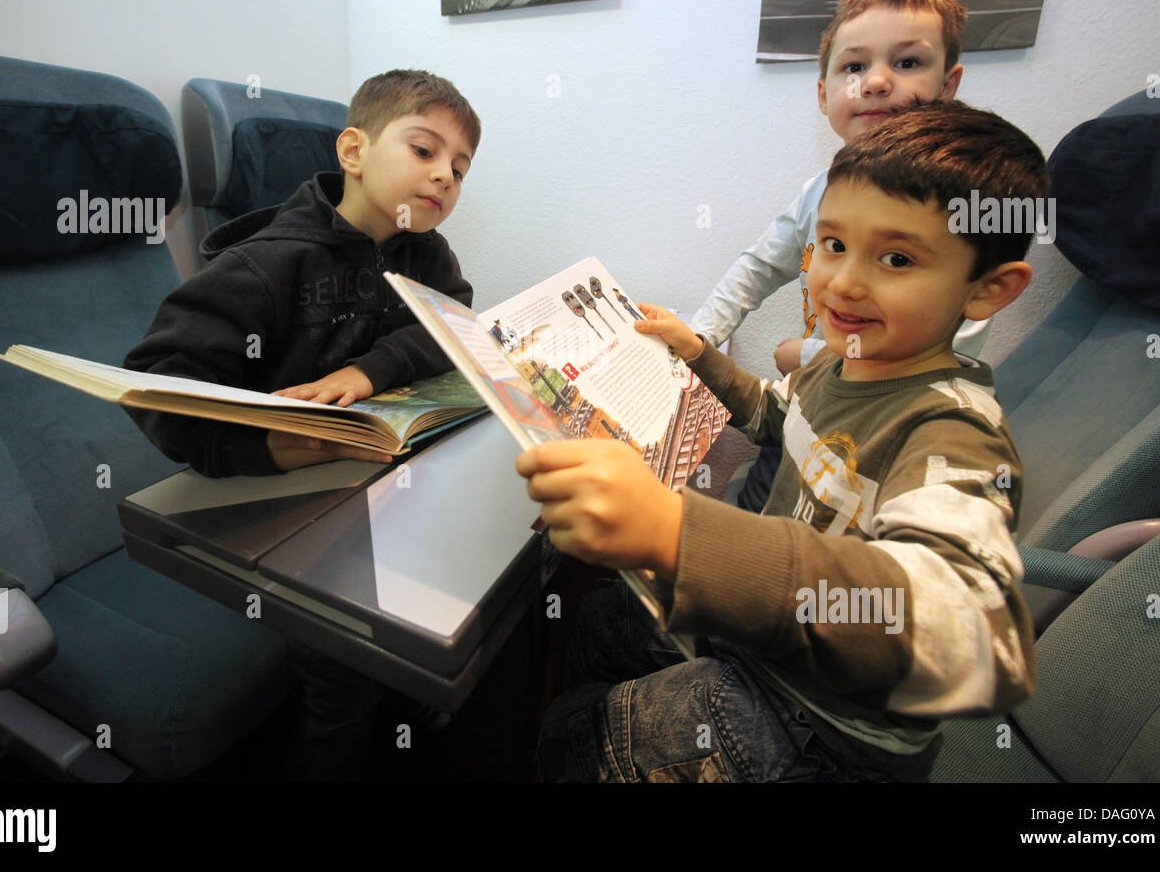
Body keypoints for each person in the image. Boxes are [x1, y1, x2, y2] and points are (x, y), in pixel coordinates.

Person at [519, 100, 1043, 782]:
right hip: (764, 647)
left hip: (821, 724)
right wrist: (700, 354)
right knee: (604, 620)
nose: (844, 281)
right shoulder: (837, 360)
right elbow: (774, 415)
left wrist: (681, 534)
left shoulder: (953, 433)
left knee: (583, 743)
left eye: (895, 257)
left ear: (987, 289)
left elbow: (975, 634)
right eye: (831, 245)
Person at [124, 69, 480, 778]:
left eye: (461, 168)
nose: (444, 176)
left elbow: (456, 323)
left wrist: (369, 371)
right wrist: (270, 446)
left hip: (378, 487)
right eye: (424, 150)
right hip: (284, 508)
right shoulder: (268, 265)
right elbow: (157, 388)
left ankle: (412, 707)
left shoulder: (425, 255)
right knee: (345, 672)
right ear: (353, 151)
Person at [691, 0, 968, 512]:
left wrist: (810, 354)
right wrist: (699, 335)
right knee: (757, 508)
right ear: (824, 94)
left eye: (907, 62)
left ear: (949, 86)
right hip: (808, 403)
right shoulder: (818, 191)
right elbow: (758, 267)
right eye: (854, 66)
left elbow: (952, 344)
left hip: (879, 428)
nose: (876, 81)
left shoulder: (961, 204)